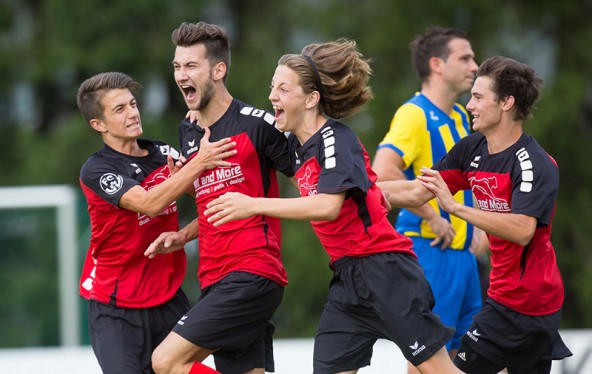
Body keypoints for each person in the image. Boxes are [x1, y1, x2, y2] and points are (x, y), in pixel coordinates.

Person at [203, 39, 461, 374]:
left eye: (282, 89)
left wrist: (253, 205)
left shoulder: (336, 139)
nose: (272, 97)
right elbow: (370, 191)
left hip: (385, 272)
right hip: (346, 281)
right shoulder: (297, 147)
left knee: (438, 370)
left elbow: (327, 206)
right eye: (272, 88)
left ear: (311, 99)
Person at [379, 55, 572, 374]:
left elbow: (523, 229)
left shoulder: (535, 164)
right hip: (502, 297)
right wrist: (362, 191)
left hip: (533, 304)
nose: (469, 105)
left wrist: (456, 208)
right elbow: (417, 191)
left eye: (479, 97)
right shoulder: (471, 150)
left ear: (507, 102)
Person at [145, 22, 294, 374]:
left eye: (191, 66)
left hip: (252, 272)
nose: (182, 75)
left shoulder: (258, 125)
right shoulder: (190, 130)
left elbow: (311, 183)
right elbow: (217, 201)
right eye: (177, 67)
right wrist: (183, 236)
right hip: (213, 276)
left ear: (218, 70)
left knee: (166, 361)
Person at [76, 71, 236, 374]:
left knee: (179, 366)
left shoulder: (164, 153)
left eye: (133, 104)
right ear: (98, 124)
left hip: (167, 296)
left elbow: (218, 202)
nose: (133, 113)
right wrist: (199, 163)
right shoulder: (97, 170)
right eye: (119, 109)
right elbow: (149, 204)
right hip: (116, 306)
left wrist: (186, 235)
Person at [372, 26, 485, 369]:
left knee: (465, 357)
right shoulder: (415, 113)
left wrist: (479, 224)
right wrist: (432, 215)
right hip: (430, 251)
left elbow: (472, 178)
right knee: (427, 358)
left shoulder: (461, 117)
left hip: (463, 257)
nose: (474, 66)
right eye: (465, 58)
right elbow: (382, 171)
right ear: (437, 64)